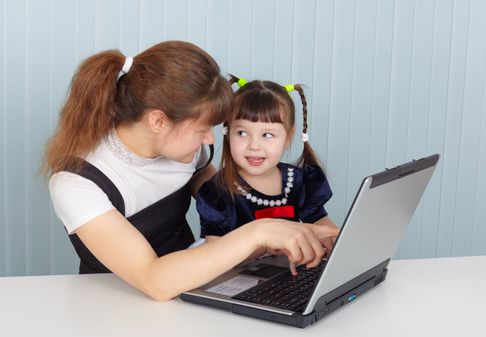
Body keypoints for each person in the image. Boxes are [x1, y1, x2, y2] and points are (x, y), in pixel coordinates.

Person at [42, 41, 333, 301]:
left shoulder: (184, 149)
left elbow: (226, 201)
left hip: (193, 288)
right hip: (118, 303)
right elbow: (153, 279)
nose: (210, 139)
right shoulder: (76, 182)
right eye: (202, 128)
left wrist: (296, 229)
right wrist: (261, 232)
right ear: (158, 121)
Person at [196, 76, 340, 274]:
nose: (254, 145)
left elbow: (320, 224)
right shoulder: (218, 192)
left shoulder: (300, 181)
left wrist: (334, 240)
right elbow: (215, 254)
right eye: (242, 133)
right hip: (236, 279)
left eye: (267, 135)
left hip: (286, 274)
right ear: (228, 133)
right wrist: (266, 246)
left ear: (288, 137)